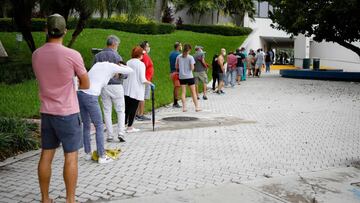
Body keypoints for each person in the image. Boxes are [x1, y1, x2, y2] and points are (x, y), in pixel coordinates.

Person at [32, 14, 90, 203]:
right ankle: (70, 200)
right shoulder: (72, 55)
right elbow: (86, 84)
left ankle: (45, 199)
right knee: (71, 157)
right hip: (67, 113)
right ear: (65, 31)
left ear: (45, 30)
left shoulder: (36, 54)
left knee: (46, 155)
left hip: (47, 113)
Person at [78, 62, 133, 164]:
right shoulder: (112, 67)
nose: (116, 76)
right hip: (91, 96)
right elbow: (130, 70)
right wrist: (121, 67)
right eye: (118, 74)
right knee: (99, 125)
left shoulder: (98, 64)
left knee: (86, 124)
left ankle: (87, 154)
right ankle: (102, 156)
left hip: (80, 93)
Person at [94, 35, 127, 143]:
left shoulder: (98, 56)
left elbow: (93, 71)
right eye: (118, 45)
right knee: (120, 110)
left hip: (104, 86)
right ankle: (121, 133)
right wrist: (121, 76)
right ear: (114, 44)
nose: (118, 46)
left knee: (107, 110)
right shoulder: (117, 57)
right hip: (117, 86)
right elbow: (124, 73)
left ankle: (109, 135)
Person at [123, 46, 154, 133]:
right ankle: (130, 127)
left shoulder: (128, 62)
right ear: (140, 55)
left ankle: (124, 125)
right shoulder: (141, 64)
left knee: (126, 108)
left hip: (127, 88)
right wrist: (150, 83)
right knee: (133, 108)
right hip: (135, 90)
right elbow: (142, 79)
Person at [176, 44, 201, 112]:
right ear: (189, 50)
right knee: (193, 92)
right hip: (189, 76)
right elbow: (192, 68)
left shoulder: (178, 57)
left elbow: (177, 67)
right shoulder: (190, 57)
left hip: (181, 77)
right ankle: (197, 107)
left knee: (183, 92)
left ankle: (184, 108)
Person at [136, 41, 154, 121]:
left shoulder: (141, 54)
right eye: (148, 46)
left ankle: (137, 114)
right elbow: (145, 66)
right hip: (145, 79)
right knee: (142, 97)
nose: (149, 47)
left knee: (140, 97)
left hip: (144, 78)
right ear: (144, 47)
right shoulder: (145, 55)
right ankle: (140, 114)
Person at [169, 42, 182, 108]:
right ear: (178, 47)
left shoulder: (171, 53)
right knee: (177, 87)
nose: (181, 47)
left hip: (172, 72)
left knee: (175, 87)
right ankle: (175, 103)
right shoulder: (179, 54)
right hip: (176, 72)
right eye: (180, 45)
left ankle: (175, 102)